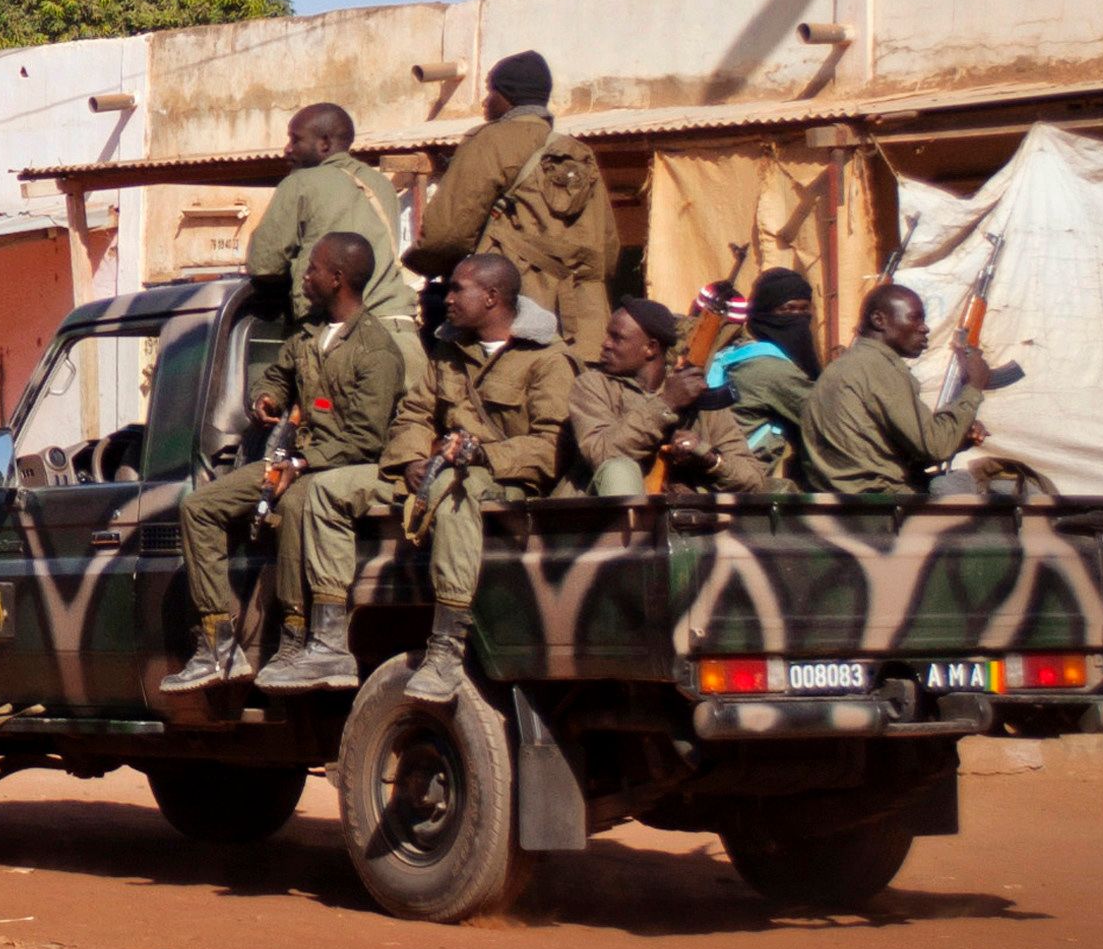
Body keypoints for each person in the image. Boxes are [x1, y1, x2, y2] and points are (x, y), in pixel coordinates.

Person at [276, 252, 569, 703]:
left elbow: (550, 446)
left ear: (491, 297)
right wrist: (412, 459)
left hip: (499, 480)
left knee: (455, 493)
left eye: (457, 289)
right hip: (431, 470)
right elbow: (415, 413)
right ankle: (330, 640)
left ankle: (447, 648)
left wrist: (481, 456)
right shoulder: (448, 350)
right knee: (325, 490)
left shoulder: (546, 359)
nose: (446, 298)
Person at [163, 231, 405, 694]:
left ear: (337, 279)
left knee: (297, 502)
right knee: (199, 508)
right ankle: (217, 646)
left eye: (314, 268)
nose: (306, 276)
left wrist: (305, 462)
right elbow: (277, 373)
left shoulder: (376, 352)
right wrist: (266, 396)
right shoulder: (308, 332)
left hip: (340, 466)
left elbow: (367, 440)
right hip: (292, 459)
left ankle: (295, 639)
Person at [408, 51, 613, 360]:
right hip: (582, 323)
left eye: (491, 91)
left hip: (510, 314)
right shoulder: (579, 153)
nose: (486, 102)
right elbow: (606, 252)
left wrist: (423, 262)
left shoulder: (490, 141)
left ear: (507, 96)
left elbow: (447, 232)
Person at [798, 281, 991, 498]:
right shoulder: (877, 367)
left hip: (848, 499)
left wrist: (959, 435)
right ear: (879, 320)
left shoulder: (850, 364)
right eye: (914, 318)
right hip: (880, 504)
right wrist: (974, 386)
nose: (924, 328)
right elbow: (935, 446)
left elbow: (899, 448)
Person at [569, 296, 774, 497]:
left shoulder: (696, 397)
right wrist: (666, 404)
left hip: (682, 519)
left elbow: (754, 481)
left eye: (617, 338)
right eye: (608, 335)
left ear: (651, 348)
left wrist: (707, 458)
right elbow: (602, 454)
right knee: (619, 470)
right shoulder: (592, 385)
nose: (605, 344)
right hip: (604, 517)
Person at [246, 104, 415, 339]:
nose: (287, 149)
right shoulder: (382, 184)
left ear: (324, 143)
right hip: (397, 328)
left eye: (295, 140)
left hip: (338, 335)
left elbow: (263, 265)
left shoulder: (300, 183)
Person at [706, 267, 822, 479]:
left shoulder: (737, 350)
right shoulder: (767, 366)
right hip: (742, 484)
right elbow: (825, 419)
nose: (798, 319)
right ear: (764, 313)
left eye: (804, 310)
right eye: (787, 310)